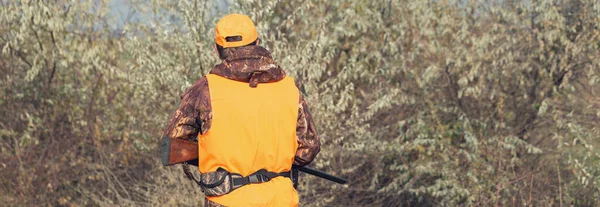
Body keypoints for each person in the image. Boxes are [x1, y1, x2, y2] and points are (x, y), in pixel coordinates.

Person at [161, 13, 321, 207]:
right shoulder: (289, 88)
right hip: (281, 201)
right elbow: (308, 149)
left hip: (228, 202)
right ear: (257, 43)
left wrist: (212, 151)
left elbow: (172, 141)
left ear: (217, 50)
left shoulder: (205, 89)